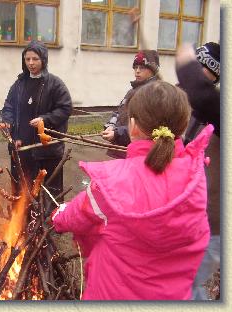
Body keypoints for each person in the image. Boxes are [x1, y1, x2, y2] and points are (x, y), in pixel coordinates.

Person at [52, 81, 211, 300]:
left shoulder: (113, 184)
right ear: (182, 126)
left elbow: (75, 215)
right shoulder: (196, 176)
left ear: (133, 126)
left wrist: (59, 213)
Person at [2, 40, 72, 212]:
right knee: (23, 186)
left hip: (46, 148)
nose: (31, 63)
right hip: (23, 147)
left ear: (44, 60)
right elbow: (8, 108)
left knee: (48, 188)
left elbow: (65, 108)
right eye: (27, 59)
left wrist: (45, 119)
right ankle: (23, 220)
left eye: (35, 59)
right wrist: (13, 134)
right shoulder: (19, 85)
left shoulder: (55, 84)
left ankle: (52, 220)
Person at [176, 42, 220, 300]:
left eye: (206, 67)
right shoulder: (198, 107)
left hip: (213, 224)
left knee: (190, 286)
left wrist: (185, 59)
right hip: (195, 216)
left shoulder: (214, 107)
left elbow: (201, 95)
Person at [102, 50, 160, 158]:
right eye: (135, 67)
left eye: (142, 68)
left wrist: (117, 133)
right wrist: (110, 126)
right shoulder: (132, 90)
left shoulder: (154, 92)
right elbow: (119, 111)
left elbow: (143, 125)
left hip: (137, 151)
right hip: (122, 145)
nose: (137, 71)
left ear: (153, 70)